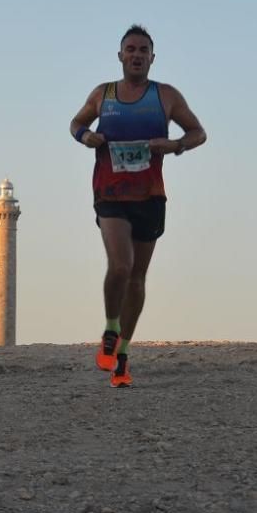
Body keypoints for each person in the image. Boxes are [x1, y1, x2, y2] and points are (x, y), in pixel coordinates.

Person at [69, 24, 206, 388]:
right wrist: (86, 136)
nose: (136, 55)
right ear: (120, 56)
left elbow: (198, 133)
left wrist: (175, 145)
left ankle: (124, 356)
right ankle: (111, 330)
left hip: (149, 195)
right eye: (130, 49)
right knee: (120, 265)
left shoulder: (166, 97)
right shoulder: (104, 94)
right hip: (110, 193)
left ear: (152, 58)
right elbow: (76, 122)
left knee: (137, 278)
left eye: (143, 50)